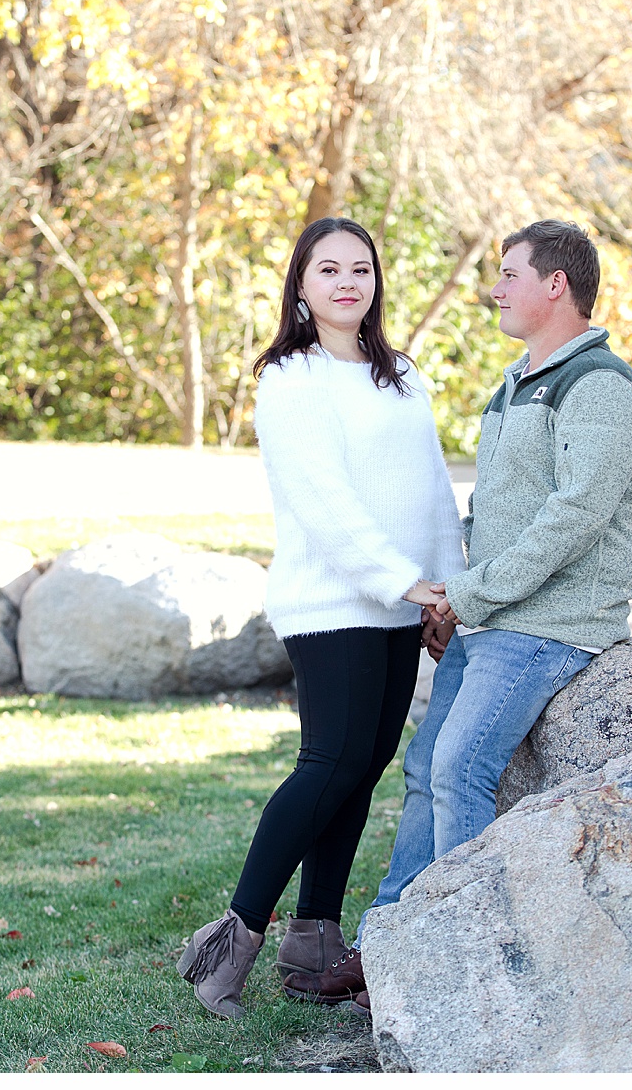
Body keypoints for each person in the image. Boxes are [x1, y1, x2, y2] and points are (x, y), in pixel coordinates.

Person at [176, 217, 464, 1021]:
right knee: (328, 763)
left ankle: (315, 940)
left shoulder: (400, 374)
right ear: (301, 283)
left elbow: (432, 489)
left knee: (364, 767)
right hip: (334, 602)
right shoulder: (290, 378)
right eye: (328, 268)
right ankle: (227, 943)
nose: (347, 281)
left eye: (361, 268)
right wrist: (407, 583)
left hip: (403, 605)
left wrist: (445, 592)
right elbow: (324, 501)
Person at [364, 219, 632, 913]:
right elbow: (495, 510)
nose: (494, 291)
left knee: (461, 767)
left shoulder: (599, 385)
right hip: (494, 614)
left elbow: (573, 518)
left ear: (556, 284)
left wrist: (469, 594)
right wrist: (453, 600)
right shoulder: (516, 385)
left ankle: (456, 946)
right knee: (425, 767)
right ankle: (389, 933)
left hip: (551, 623)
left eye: (508, 275)